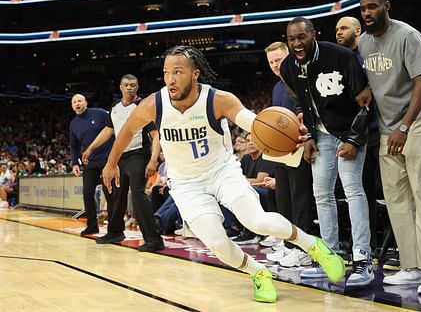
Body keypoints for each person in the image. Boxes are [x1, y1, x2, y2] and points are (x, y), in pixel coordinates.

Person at [102, 45, 345, 303]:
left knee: (256, 220)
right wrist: (111, 163)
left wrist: (289, 132)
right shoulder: (155, 103)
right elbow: (127, 130)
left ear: (195, 74)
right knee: (217, 243)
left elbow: (255, 124)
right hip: (186, 183)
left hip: (221, 171)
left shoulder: (219, 99)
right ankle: (258, 272)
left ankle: (313, 245)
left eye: (178, 72)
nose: (171, 79)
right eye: (166, 72)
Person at [356, 0, 421, 293]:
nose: (368, 13)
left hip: (418, 121)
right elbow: (376, 83)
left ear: (387, 6)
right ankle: (412, 266)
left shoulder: (408, 35)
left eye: (373, 7)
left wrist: (404, 126)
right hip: (388, 128)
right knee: (398, 199)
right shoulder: (362, 42)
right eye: (364, 9)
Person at [280, 17, 373, 287]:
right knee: (322, 194)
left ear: (313, 35)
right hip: (320, 134)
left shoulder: (341, 56)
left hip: (349, 132)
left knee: (353, 189)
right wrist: (309, 134)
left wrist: (354, 140)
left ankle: (362, 259)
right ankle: (330, 258)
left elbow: (366, 101)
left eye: (302, 37)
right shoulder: (288, 66)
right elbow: (300, 101)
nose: (297, 43)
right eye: (291, 39)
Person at [83, 74, 164, 252]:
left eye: (133, 85)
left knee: (137, 194)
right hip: (120, 157)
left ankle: (153, 238)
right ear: (120, 87)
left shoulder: (143, 107)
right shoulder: (115, 108)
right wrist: (90, 148)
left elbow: (155, 134)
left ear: (137, 87)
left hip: (138, 155)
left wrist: (153, 158)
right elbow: (108, 130)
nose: (130, 88)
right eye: (126, 85)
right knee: (114, 194)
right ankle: (115, 232)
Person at [262, 41, 317, 269]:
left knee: (300, 198)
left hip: (299, 147)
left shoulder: (301, 79)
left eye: (278, 60)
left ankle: (304, 249)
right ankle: (289, 244)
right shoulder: (276, 88)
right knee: (283, 197)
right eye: (271, 61)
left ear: (289, 57)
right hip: (281, 151)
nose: (275, 65)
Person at [336, 16, 381, 261]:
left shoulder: (370, 53)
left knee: (382, 192)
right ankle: (363, 244)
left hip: (379, 130)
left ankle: (378, 246)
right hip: (357, 135)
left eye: (343, 28)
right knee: (361, 191)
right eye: (336, 29)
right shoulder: (340, 60)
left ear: (357, 30)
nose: (338, 33)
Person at [69, 94, 114, 236]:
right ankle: (92, 225)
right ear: (72, 105)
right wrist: (75, 162)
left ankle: (114, 226)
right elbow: (74, 146)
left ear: (85, 102)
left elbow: (114, 128)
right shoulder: (73, 124)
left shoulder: (100, 113)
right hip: (90, 161)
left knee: (110, 191)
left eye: (79, 101)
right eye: (74, 102)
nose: (77, 104)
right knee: (87, 192)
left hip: (107, 159)